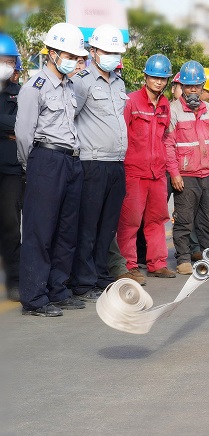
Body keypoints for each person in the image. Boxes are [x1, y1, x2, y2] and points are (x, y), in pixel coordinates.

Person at [15, 22, 89, 317]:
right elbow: (24, 134)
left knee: (66, 231)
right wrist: (31, 167)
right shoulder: (34, 87)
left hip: (71, 160)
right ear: (53, 53)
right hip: (46, 160)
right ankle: (34, 297)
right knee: (40, 231)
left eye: (76, 56)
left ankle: (58, 289)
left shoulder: (69, 86)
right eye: (69, 56)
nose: (73, 61)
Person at [66, 24, 128, 303]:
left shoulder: (119, 82)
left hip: (116, 163)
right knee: (88, 226)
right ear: (92, 51)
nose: (112, 57)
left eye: (116, 52)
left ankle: (101, 274)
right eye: (107, 51)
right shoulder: (81, 81)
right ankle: (83, 281)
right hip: (92, 163)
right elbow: (70, 118)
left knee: (107, 227)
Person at [165, 61, 209, 275]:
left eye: (197, 86)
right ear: (182, 87)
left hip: (207, 173)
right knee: (184, 219)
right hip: (185, 176)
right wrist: (174, 173)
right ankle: (183, 260)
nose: (193, 90)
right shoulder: (174, 111)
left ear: (202, 86)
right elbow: (168, 145)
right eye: (188, 86)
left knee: (208, 220)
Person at [118, 54, 175, 282]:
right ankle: (129, 265)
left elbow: (165, 137)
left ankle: (157, 263)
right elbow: (122, 134)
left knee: (157, 219)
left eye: (163, 78)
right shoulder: (131, 101)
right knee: (130, 221)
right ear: (145, 77)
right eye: (154, 77)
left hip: (157, 173)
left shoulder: (165, 104)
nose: (159, 82)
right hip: (134, 171)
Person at [0, 33, 22, 302]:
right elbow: (12, 126)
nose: (4, 65)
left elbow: (22, 124)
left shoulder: (20, 93)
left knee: (10, 225)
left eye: (8, 61)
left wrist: (11, 128)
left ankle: (16, 280)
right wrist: (8, 129)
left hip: (11, 170)